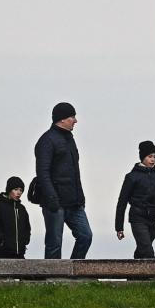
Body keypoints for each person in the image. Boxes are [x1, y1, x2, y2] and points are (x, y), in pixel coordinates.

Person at [34, 102, 93, 259]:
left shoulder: (69, 139)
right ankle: (52, 280)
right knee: (54, 243)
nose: (75, 120)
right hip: (55, 203)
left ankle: (73, 274)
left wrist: (80, 197)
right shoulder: (46, 141)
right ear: (61, 119)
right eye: (72, 117)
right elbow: (42, 172)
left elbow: (74, 173)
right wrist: (52, 198)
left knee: (86, 236)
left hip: (74, 202)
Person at [0, 176, 31, 259]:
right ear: (9, 190)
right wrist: (1, 240)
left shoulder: (22, 209)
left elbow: (27, 227)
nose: (19, 192)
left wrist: (25, 240)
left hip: (19, 254)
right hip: (2, 253)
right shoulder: (0, 206)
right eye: (16, 189)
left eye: (21, 190)